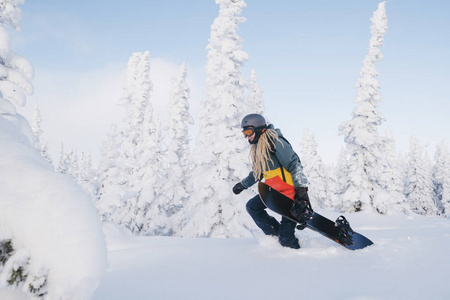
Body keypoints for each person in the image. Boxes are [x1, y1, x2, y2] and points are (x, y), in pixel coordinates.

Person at [232, 113, 312, 249]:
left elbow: (294, 165)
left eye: (249, 131)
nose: (247, 136)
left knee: (286, 240)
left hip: (290, 196)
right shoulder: (259, 149)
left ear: (258, 128)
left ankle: (297, 254)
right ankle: (275, 235)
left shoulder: (275, 142)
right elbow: (257, 173)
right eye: (244, 133)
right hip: (274, 194)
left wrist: (301, 191)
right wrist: (243, 185)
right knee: (252, 207)